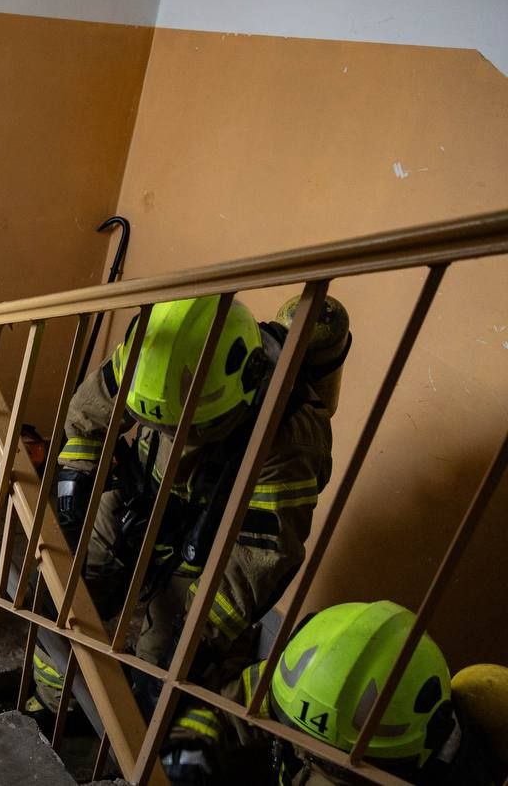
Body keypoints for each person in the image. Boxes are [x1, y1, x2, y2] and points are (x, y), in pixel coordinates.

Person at [31, 296, 335, 716]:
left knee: (163, 663)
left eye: (187, 429)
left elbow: (260, 560)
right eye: (157, 425)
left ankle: (133, 733)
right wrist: (73, 497)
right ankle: (51, 709)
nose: (172, 437)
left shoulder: (289, 439)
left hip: (209, 535)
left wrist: (194, 639)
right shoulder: (152, 351)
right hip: (139, 493)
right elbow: (89, 416)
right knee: (65, 596)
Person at [160, 600, 506, 785]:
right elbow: (228, 706)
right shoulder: (305, 685)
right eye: (300, 736)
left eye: (335, 765)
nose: (309, 753)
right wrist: (188, 748)